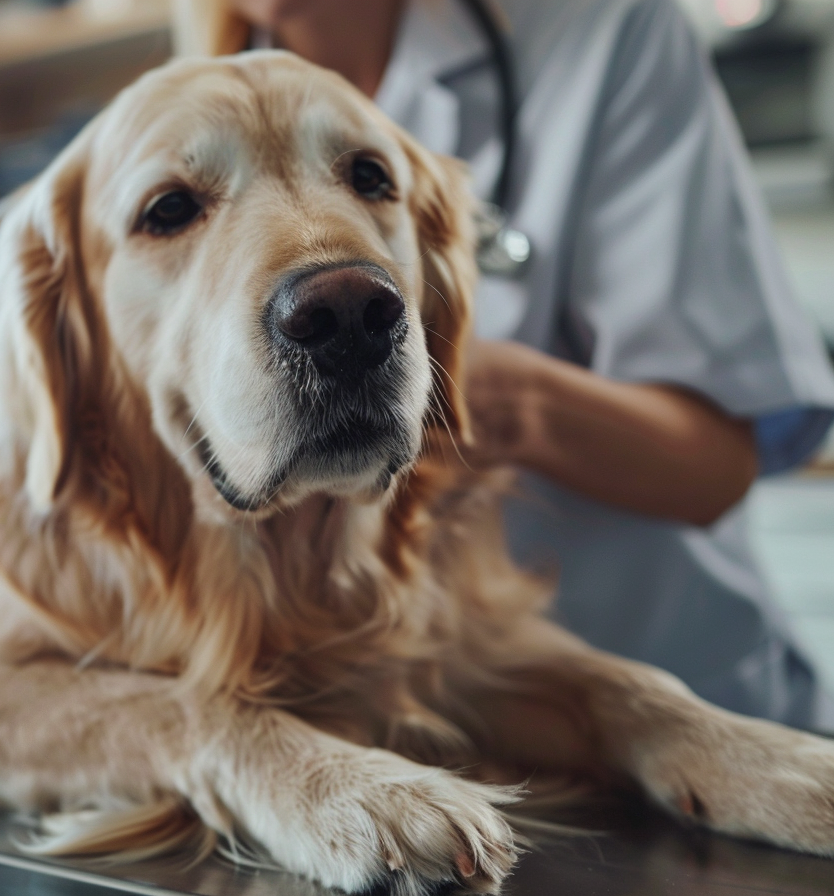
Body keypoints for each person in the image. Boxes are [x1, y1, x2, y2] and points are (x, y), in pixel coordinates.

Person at [173, 0, 834, 730]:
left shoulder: (606, 27)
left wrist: (489, 391)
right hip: (414, 728)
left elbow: (715, 468)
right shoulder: (172, 132)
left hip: (675, 689)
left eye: (365, 177)